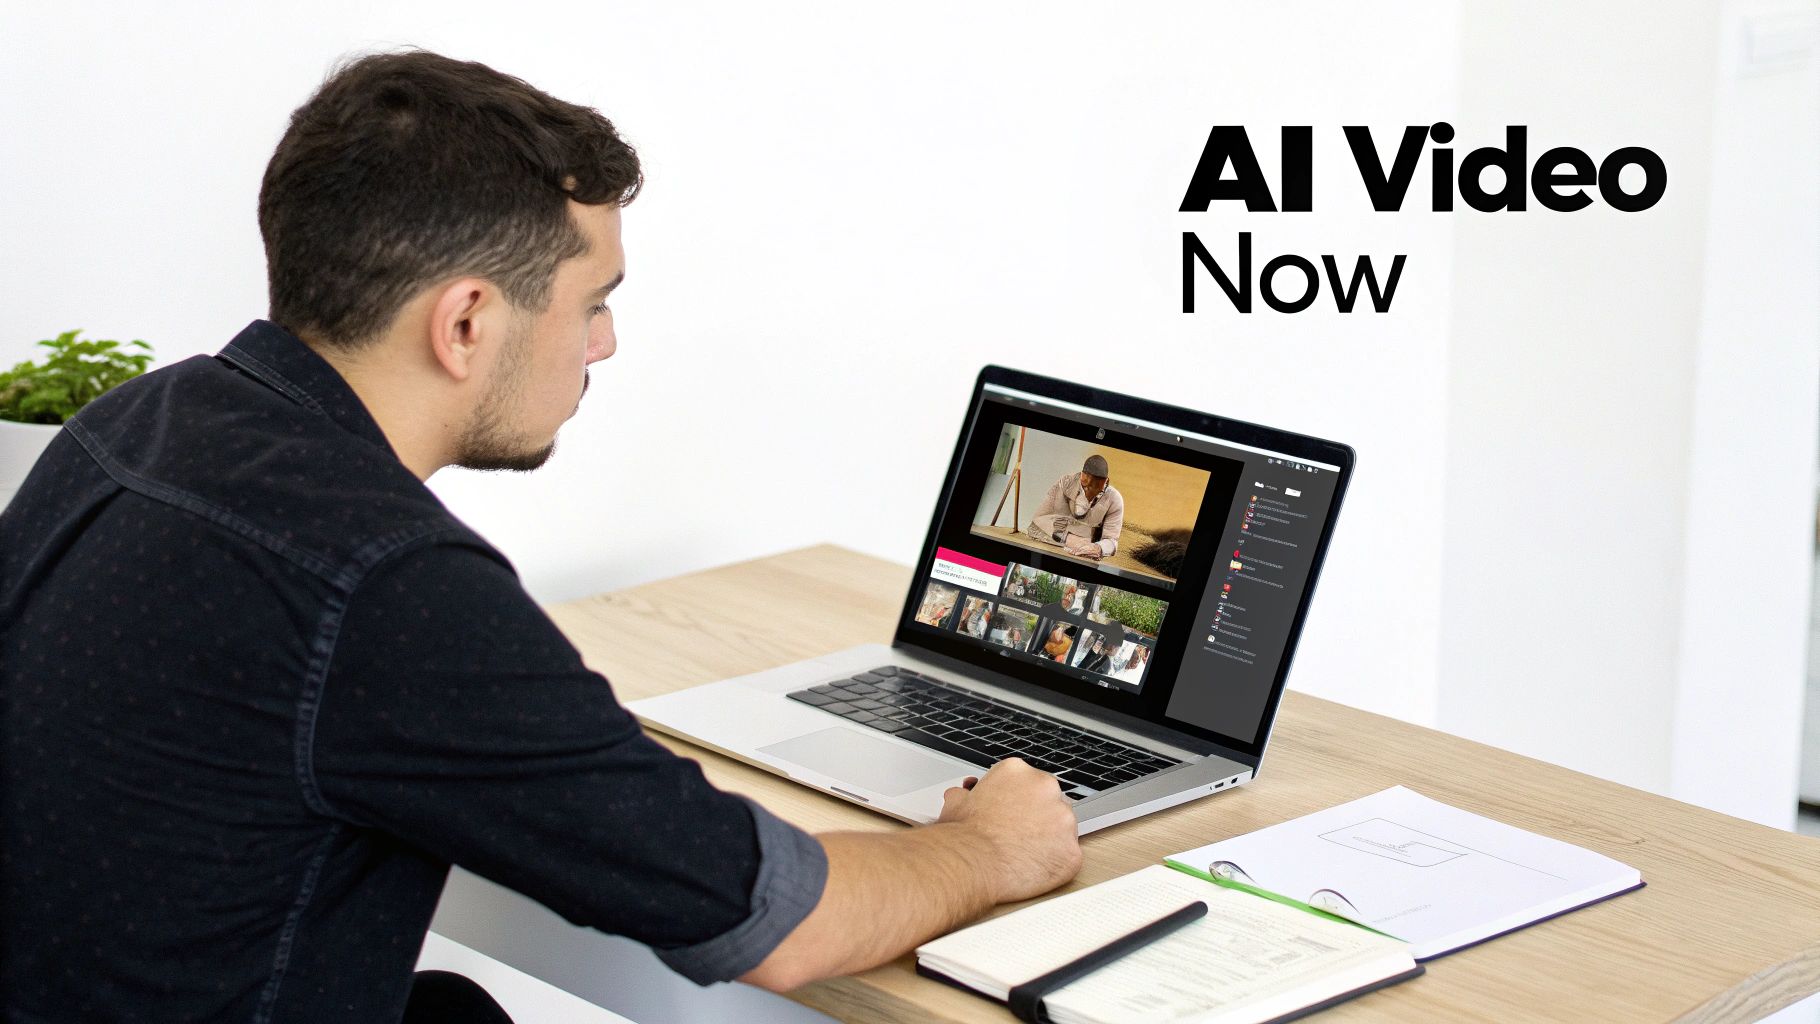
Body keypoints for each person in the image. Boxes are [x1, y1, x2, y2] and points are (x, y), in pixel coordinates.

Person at [0, 51, 1082, 1024]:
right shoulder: (385, 582)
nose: (605, 344)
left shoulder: (134, 423)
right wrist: (988, 845)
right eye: (591, 303)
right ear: (466, 321)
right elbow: (785, 928)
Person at [1025, 454, 1124, 560]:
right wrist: (1071, 539)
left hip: (1082, 555)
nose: (1090, 493)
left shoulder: (1114, 499)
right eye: (1086, 487)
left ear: (1105, 482)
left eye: (1096, 488)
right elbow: (1040, 517)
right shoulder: (1065, 483)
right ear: (1082, 476)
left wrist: (1098, 548)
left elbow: (1112, 541)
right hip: (1048, 547)